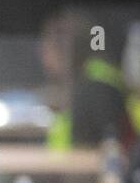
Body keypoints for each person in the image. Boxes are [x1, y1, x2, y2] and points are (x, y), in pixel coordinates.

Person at [41, 10, 131, 149]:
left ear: (65, 50)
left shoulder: (94, 88)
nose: (43, 57)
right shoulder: (85, 80)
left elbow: (105, 152)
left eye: (47, 48)